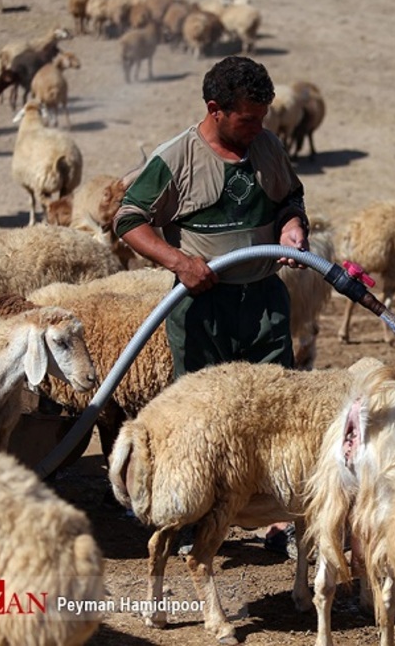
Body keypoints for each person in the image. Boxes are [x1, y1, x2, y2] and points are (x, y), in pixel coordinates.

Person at [112, 55, 309, 553]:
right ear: (215, 109)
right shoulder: (176, 158)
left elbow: (291, 198)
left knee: (276, 409)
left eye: (263, 117)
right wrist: (179, 262)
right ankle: (197, 517)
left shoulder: (267, 147)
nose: (259, 127)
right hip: (202, 306)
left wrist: (291, 226)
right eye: (248, 118)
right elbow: (129, 220)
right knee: (202, 417)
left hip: (264, 300)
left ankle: (275, 520)